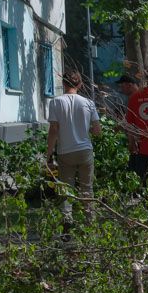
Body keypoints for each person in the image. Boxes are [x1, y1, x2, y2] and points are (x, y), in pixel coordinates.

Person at [45, 69, 101, 226]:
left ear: (63, 84)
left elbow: (54, 130)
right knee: (87, 188)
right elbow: (97, 131)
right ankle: (90, 222)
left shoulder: (56, 102)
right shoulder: (89, 103)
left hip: (65, 152)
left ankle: (67, 221)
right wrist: (85, 129)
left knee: (66, 188)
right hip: (85, 151)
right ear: (80, 84)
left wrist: (48, 154)